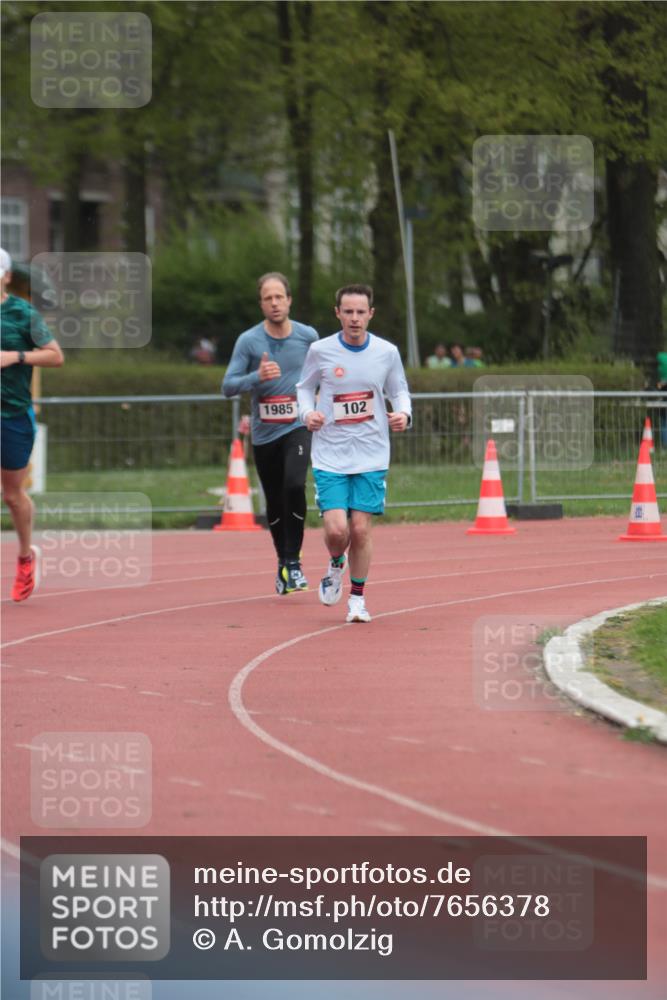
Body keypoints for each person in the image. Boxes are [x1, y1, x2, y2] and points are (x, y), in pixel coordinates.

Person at [296, 283, 412, 623]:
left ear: (371, 314)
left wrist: (403, 414)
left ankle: (357, 600)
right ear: (338, 314)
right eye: (348, 311)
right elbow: (304, 388)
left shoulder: (387, 352)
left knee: (360, 530)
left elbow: (399, 390)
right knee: (336, 531)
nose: (355, 318)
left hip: (372, 453)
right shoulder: (321, 350)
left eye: (361, 312)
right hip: (330, 453)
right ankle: (336, 563)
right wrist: (308, 415)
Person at [222, 272, 318, 594]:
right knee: (275, 501)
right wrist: (256, 376)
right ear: (261, 304)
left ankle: (294, 563)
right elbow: (227, 386)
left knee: (294, 484)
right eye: (268, 298)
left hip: (297, 426)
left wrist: (319, 402)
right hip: (265, 434)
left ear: (289, 300)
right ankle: (283, 562)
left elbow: (322, 375)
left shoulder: (307, 336)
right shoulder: (249, 341)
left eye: (279, 297)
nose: (275, 303)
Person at [1, 248, 64, 602]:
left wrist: (16, 356)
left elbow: (56, 355)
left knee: (11, 495)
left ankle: (25, 555)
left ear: (6, 276)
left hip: (11, 413)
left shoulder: (21, 313)